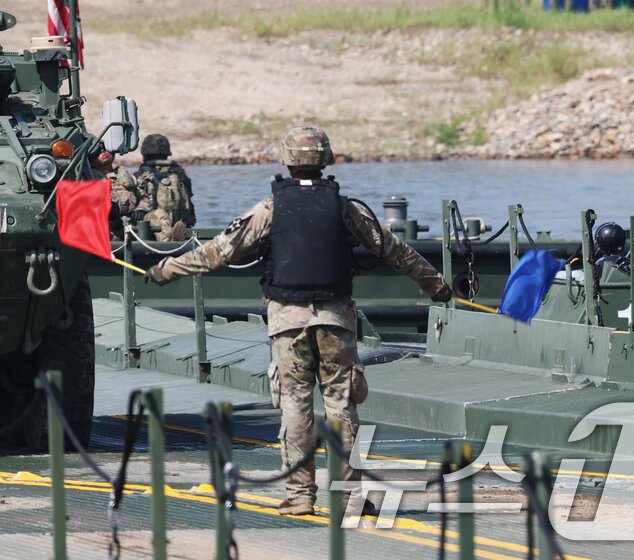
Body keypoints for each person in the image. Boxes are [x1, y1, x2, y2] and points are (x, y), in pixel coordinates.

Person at [146, 126, 452, 516]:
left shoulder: (269, 208)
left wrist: (166, 270)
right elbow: (394, 250)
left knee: (294, 405)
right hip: (336, 321)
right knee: (341, 407)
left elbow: (219, 252)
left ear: (287, 160)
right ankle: (346, 498)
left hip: (287, 323)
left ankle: (300, 495)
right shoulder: (346, 209)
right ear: (326, 159)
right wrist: (437, 287)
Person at [134, 134, 196, 241]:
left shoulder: (140, 176)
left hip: (151, 234)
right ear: (168, 154)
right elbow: (189, 211)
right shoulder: (181, 175)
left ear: (144, 155)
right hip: (182, 229)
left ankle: (170, 237)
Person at [91, 148, 139, 238]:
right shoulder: (89, 177)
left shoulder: (125, 175)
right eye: (98, 150)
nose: (103, 151)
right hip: (106, 227)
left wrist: (141, 210)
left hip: (130, 223)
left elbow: (142, 197)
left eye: (106, 148)